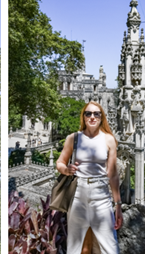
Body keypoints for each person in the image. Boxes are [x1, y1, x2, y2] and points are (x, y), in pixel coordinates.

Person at [56, 101, 123, 254]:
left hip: (101, 196)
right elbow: (60, 163)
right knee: (74, 248)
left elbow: (112, 174)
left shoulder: (109, 139)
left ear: (101, 117)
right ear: (84, 117)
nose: (92, 117)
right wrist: (66, 169)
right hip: (78, 195)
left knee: (111, 248)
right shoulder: (73, 138)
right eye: (88, 113)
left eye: (96, 114)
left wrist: (118, 204)